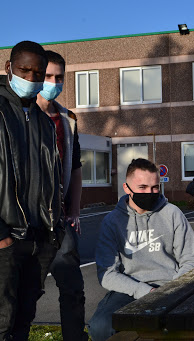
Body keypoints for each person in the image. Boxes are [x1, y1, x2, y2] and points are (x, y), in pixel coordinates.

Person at [88, 158, 194, 341]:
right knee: (100, 327)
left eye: (155, 187)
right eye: (142, 187)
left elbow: (191, 259)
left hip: (171, 285)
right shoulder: (112, 222)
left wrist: (174, 288)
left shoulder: (172, 213)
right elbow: (108, 274)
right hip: (129, 290)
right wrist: (144, 291)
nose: (150, 192)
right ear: (127, 188)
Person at [0, 41, 62, 340]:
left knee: (24, 319)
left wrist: (55, 231)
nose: (31, 78)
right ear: (8, 67)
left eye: (38, 72)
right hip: (5, 239)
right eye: (24, 70)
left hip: (39, 239)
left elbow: (53, 179)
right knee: (2, 322)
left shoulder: (44, 122)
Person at [36, 50, 87, 341]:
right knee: (23, 292)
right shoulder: (20, 115)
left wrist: (75, 211)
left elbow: (76, 168)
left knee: (73, 290)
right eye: (47, 76)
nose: (53, 82)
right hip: (26, 220)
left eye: (59, 77)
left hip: (60, 219)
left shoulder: (67, 119)